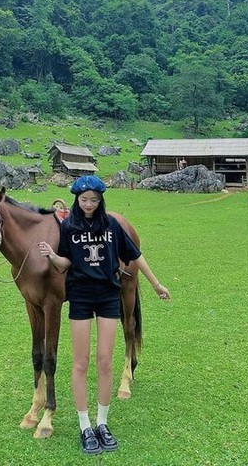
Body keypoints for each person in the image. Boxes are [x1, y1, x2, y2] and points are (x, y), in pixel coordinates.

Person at [39, 175, 170, 455]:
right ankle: (85, 425)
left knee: (105, 362)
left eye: (94, 200)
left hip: (109, 296)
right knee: (80, 363)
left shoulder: (111, 225)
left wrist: (156, 284)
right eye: (84, 199)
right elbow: (65, 264)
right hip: (81, 297)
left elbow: (135, 256)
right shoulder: (69, 227)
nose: (89, 204)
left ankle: (102, 423)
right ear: (77, 199)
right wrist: (51, 255)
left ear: (101, 201)